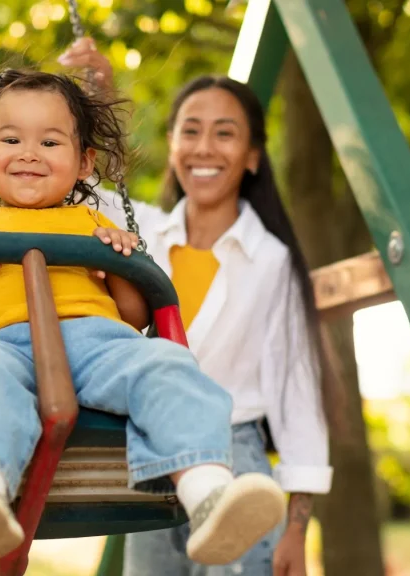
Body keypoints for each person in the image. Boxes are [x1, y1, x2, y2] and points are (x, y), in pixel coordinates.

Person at [0, 69, 288, 566]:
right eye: (11, 139)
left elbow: (135, 315)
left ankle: (208, 494)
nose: (30, 153)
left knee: (165, 363)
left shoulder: (95, 222)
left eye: (50, 142)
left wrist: (119, 261)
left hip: (98, 345)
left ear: (84, 163)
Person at [59, 39, 338, 576]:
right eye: (190, 131)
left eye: (224, 133)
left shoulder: (271, 260)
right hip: (151, 461)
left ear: (253, 155)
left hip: (234, 457)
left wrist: (298, 528)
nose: (204, 147)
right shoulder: (141, 233)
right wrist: (99, 101)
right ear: (171, 146)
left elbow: (296, 392)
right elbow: (76, 188)